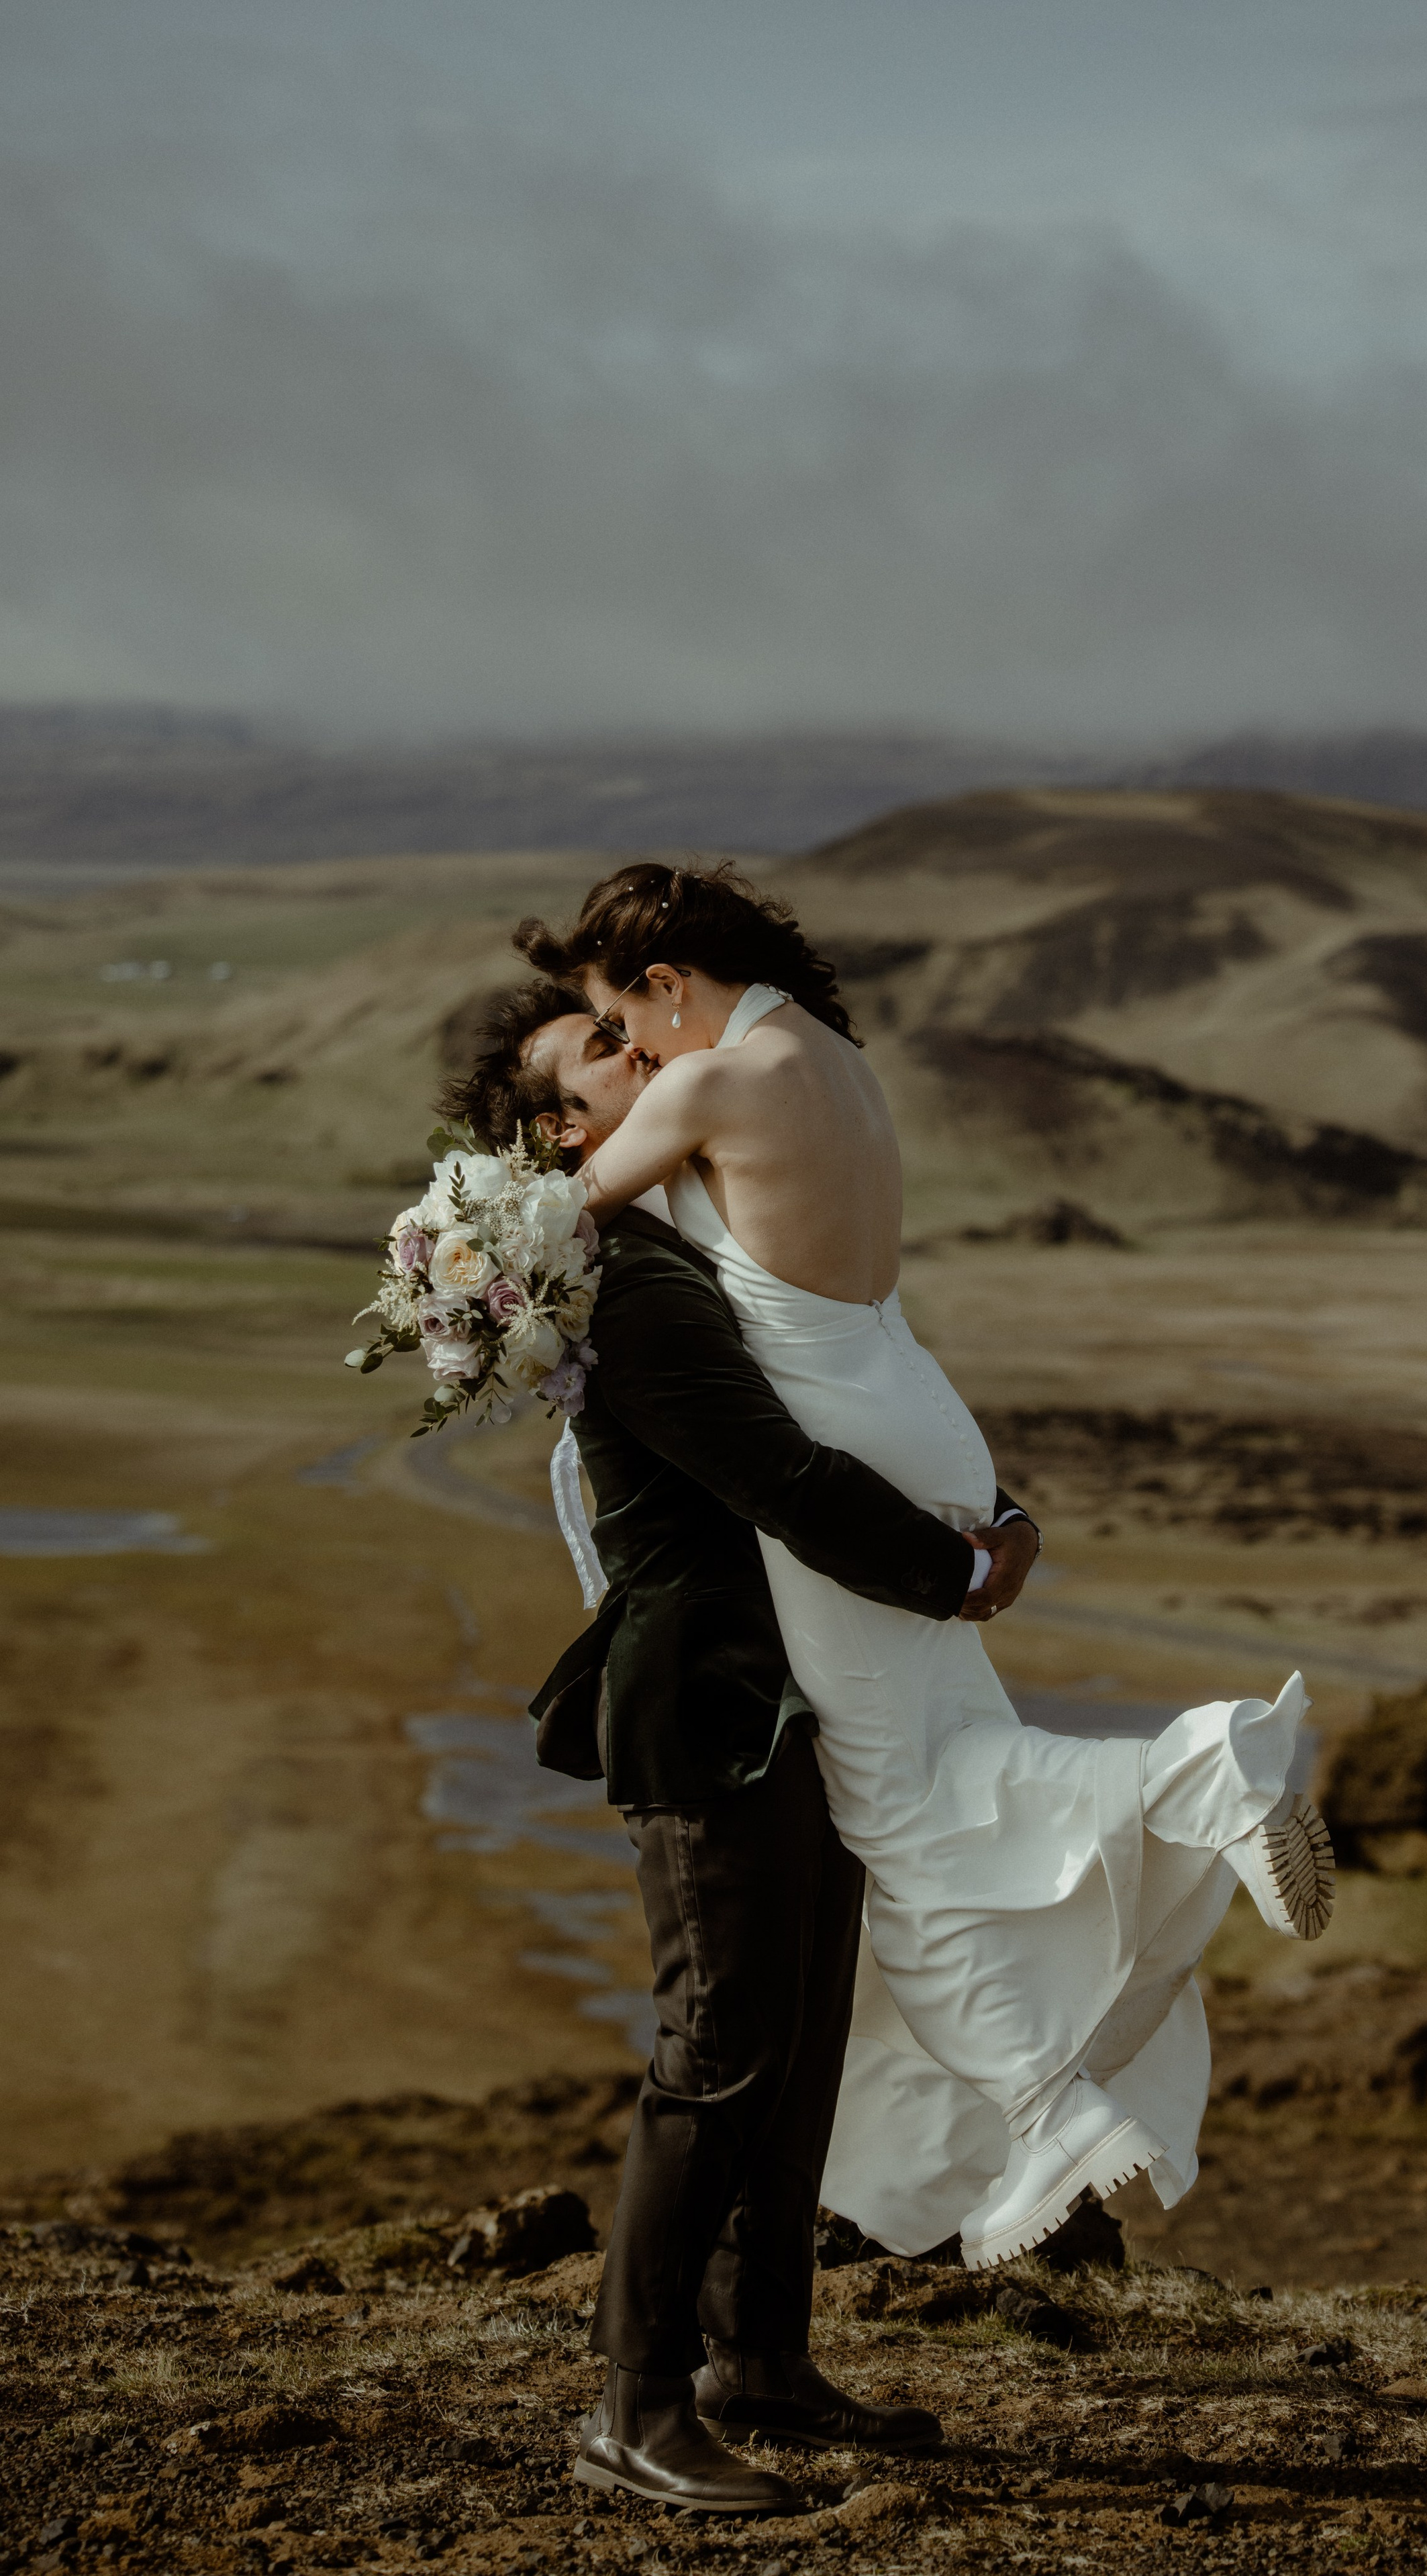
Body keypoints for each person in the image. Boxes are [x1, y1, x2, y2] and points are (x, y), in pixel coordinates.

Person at [516, 864, 1334, 2277]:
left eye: (621, 1021)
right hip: (918, 1410)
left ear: (663, 981)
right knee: (953, 1757)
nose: (636, 1056)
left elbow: (551, 1222)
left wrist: (463, 1244)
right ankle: (1039, 2093)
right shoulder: (824, 1057)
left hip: (842, 1441)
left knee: (900, 1811)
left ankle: (1197, 1785)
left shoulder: (703, 1087)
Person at [440, 995, 1038, 2515]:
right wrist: (958, 1571)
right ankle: (633, 2405)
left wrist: (989, 1501)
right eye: (607, 1051)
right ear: (567, 1135)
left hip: (808, 1690)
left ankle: (757, 2358)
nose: (651, 1054)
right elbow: (775, 1473)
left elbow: (840, 1392)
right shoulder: (626, 1281)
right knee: (716, 2050)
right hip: (710, 1699)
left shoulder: (696, 1245)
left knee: (801, 2028)